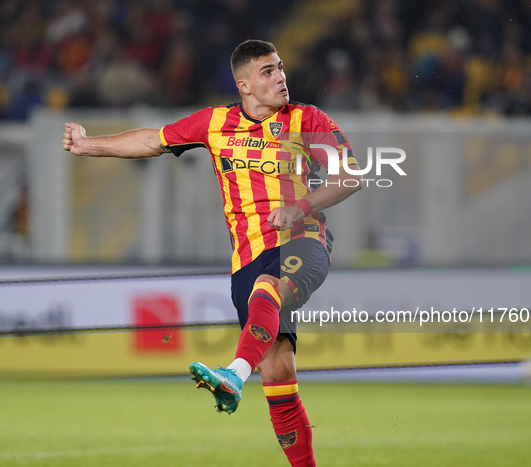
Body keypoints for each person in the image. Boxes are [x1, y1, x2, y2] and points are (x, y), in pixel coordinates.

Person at [62, 39, 361, 467]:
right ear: (243, 85)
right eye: (267, 72)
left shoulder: (308, 119)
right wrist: (87, 145)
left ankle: (233, 374)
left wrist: (301, 206)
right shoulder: (214, 124)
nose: (280, 77)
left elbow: (349, 176)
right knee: (278, 374)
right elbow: (152, 140)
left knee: (268, 287)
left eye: (279, 68)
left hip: (303, 239)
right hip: (247, 254)